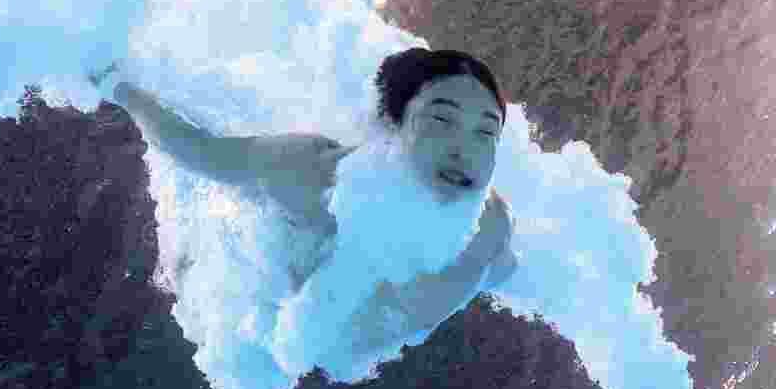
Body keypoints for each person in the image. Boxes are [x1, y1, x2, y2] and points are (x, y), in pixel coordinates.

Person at [108, 47, 517, 331]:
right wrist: (122, 91)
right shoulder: (310, 176)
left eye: (486, 133)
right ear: (393, 127)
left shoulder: (493, 230)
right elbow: (203, 153)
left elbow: (500, 272)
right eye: (442, 121)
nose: (464, 151)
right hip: (265, 291)